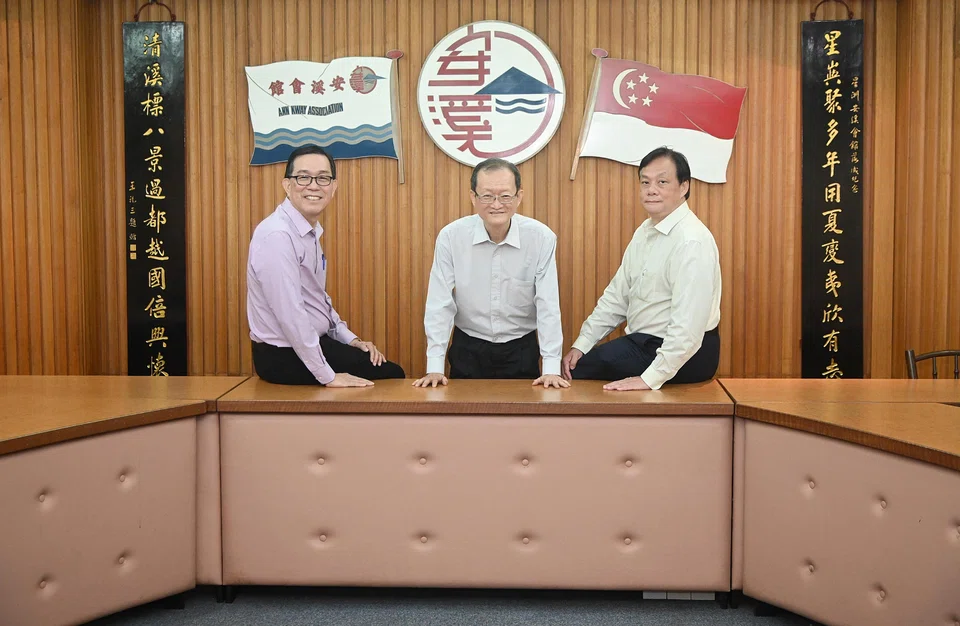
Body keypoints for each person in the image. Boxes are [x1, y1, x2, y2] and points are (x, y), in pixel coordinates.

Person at [561, 147, 721, 391]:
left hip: (687, 354)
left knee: (579, 375)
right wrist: (582, 344)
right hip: (643, 343)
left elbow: (687, 330)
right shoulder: (645, 231)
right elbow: (617, 296)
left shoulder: (692, 241)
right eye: (645, 182)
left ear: (684, 187)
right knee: (573, 368)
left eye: (662, 182)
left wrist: (650, 378)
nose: (651, 189)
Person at [247, 144, 404, 387]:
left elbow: (316, 299)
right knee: (391, 376)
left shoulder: (308, 231)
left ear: (334, 187)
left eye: (323, 178)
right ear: (287, 185)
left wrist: (350, 340)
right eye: (303, 177)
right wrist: (328, 376)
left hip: (310, 342)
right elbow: (291, 315)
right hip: (282, 355)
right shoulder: (277, 235)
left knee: (386, 370)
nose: (313, 186)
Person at [413, 158, 567, 389]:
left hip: (521, 347)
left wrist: (551, 368)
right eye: (487, 196)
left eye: (505, 196)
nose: (496, 204)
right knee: (465, 419)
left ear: (519, 197)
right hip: (468, 346)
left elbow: (547, 303)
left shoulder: (541, 238)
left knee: (524, 420)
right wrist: (434, 366)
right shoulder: (451, 237)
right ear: (473, 197)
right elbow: (439, 303)